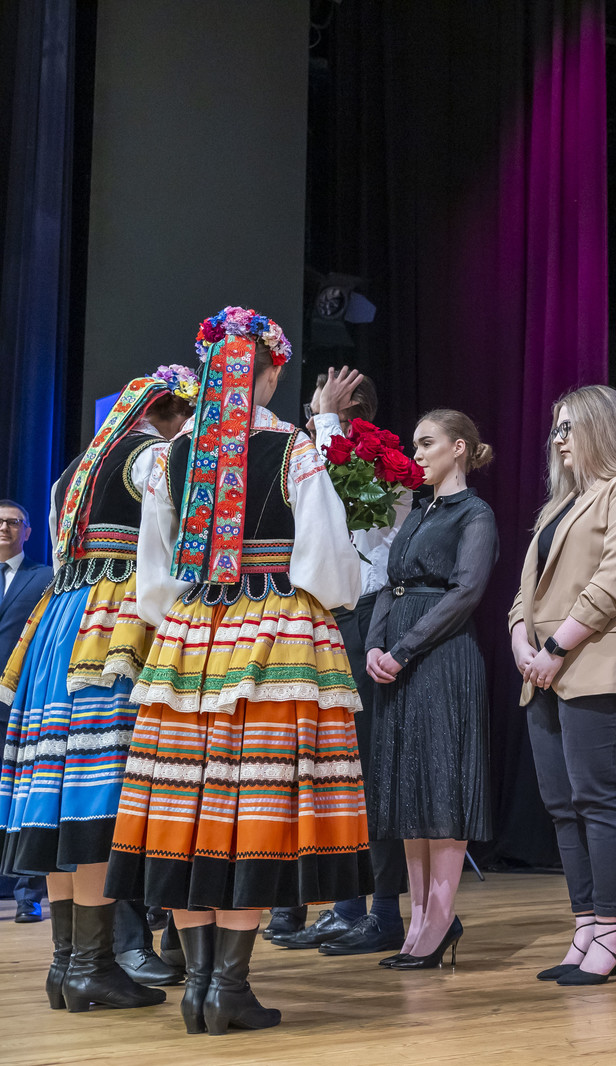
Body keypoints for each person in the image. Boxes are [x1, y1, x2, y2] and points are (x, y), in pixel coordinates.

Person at [106, 306, 371, 1035]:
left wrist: (184, 620)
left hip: (191, 640)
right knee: (251, 807)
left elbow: (154, 574)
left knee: (184, 811)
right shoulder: (292, 451)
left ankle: (198, 989)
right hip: (273, 634)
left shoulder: (170, 457)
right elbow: (325, 559)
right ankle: (228, 986)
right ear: (272, 373)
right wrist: (332, 596)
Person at [0, 368, 196, 1012]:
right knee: (96, 789)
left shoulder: (73, 472)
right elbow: (171, 547)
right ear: (171, 415)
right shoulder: (153, 458)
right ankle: (90, 964)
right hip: (111, 625)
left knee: (61, 788)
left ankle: (67, 966)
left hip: (59, 621)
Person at [511, 385, 616, 986]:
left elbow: (615, 582)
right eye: (555, 428)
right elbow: (526, 592)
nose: (558, 439)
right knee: (562, 806)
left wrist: (554, 648)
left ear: (603, 428)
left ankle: (614, 929)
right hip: (543, 670)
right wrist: (522, 642)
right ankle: (585, 927)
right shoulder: (561, 505)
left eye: (569, 427)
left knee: (600, 799)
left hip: (596, 666)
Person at [270, 367, 413, 956]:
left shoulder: (383, 466)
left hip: (364, 617)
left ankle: (383, 911)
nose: (311, 418)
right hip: (318, 618)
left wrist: (325, 418)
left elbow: (342, 509)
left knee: (367, 766)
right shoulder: (313, 458)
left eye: (322, 409)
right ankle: (345, 902)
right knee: (329, 768)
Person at [364, 408, 498, 970]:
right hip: (399, 657)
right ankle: (418, 919)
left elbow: (465, 593)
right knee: (408, 790)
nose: (416, 455)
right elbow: (388, 585)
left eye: (426, 444)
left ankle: (439, 920)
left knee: (440, 786)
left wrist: (403, 648)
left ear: (459, 447)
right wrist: (375, 644)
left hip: (441, 659)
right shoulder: (420, 511)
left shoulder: (475, 514)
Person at [0, 498, 52, 924]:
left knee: (24, 794)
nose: (5, 528)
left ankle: (27, 896)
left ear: (29, 531)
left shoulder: (45, 578)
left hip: (17, 701)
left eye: (14, 522)